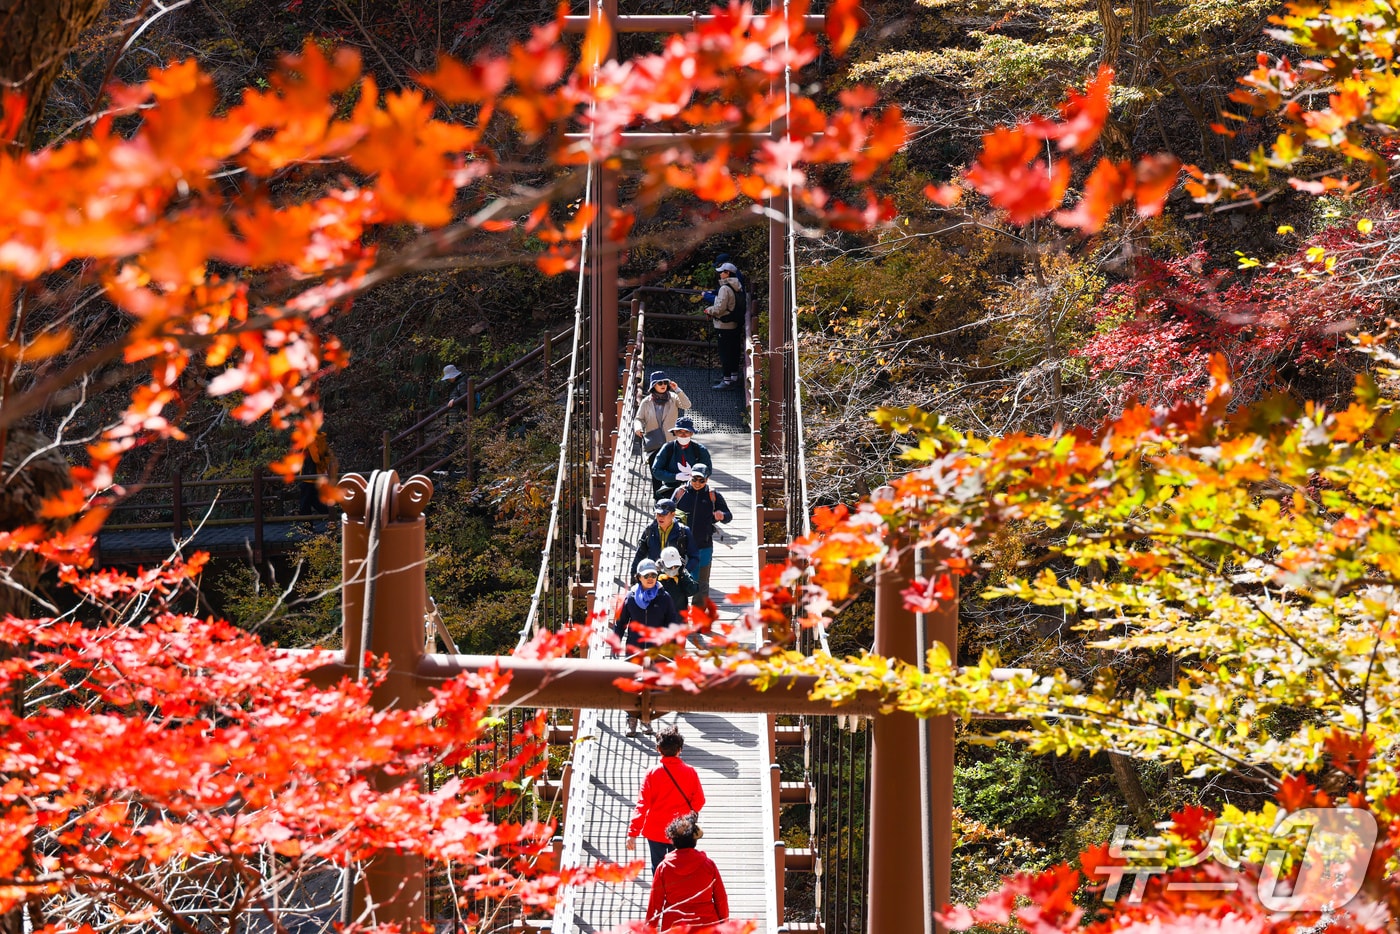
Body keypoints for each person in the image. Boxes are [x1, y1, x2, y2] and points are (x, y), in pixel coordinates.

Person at [613, 560, 682, 736]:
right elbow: (621, 623)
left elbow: (672, 623)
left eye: (653, 575)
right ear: (639, 577)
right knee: (632, 684)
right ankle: (631, 720)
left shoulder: (664, 598)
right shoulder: (630, 598)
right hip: (634, 648)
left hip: (656, 650)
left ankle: (647, 721)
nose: (651, 578)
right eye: (646, 576)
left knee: (652, 685)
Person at [626, 726, 706, 872]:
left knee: (658, 867)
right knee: (680, 865)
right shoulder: (690, 772)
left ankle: (660, 892)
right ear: (680, 749)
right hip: (681, 829)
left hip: (656, 829)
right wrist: (689, 813)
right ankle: (678, 893)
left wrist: (633, 833)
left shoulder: (651, 773)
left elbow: (642, 804)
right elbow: (699, 800)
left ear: (658, 749)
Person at [647, 813, 729, 930]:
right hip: (706, 926)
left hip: (674, 926)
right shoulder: (708, 865)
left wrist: (649, 929)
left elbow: (655, 904)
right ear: (694, 841)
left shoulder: (663, 868)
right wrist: (724, 924)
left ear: (673, 842)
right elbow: (721, 899)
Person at [669, 464, 731, 596]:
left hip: (704, 545)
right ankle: (681, 613)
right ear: (689, 477)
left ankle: (699, 614)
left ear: (707, 479)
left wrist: (722, 515)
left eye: (701, 480)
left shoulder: (713, 495)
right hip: (681, 546)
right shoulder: (680, 492)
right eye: (694, 479)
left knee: (702, 583)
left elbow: (728, 516)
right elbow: (667, 512)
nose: (697, 483)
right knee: (678, 581)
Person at [634, 371, 692, 471]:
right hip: (653, 443)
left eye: (665, 382)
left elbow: (687, 405)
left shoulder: (673, 398)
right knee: (656, 475)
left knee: (672, 474)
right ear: (653, 385)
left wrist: (677, 390)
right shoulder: (646, 401)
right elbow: (638, 418)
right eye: (660, 383)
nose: (663, 385)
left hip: (671, 441)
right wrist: (638, 428)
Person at [649, 416, 713, 498]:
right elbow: (656, 470)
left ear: (691, 433)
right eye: (680, 431)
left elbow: (708, 470)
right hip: (670, 488)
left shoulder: (700, 449)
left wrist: (693, 474)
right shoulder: (668, 448)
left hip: (695, 487)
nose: (683, 435)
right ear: (675, 432)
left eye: (686, 432)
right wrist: (675, 476)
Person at [704, 263, 744, 390]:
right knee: (733, 351)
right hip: (734, 324)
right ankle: (733, 377)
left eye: (722, 272)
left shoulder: (725, 289)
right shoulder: (738, 286)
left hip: (723, 325)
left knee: (724, 353)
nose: (720, 274)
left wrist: (709, 310)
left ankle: (726, 380)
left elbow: (719, 308)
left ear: (727, 273)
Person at [633, 499, 698, 577]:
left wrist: (683, 572)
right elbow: (640, 554)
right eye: (657, 514)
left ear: (673, 514)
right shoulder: (649, 530)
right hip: (654, 577)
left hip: (675, 576)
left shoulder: (684, 531)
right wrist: (634, 575)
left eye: (664, 514)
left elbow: (694, 557)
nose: (660, 517)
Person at [298, 431, 337, 514]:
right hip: (318, 474)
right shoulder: (322, 439)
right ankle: (330, 517)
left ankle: (307, 525)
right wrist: (323, 467)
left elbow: (315, 458)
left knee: (305, 504)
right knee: (315, 500)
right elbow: (326, 456)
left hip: (308, 476)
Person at [657, 545, 699, 615]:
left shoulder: (683, 574)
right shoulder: (656, 576)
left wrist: (682, 575)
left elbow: (693, 590)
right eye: (670, 566)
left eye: (676, 566)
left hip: (679, 618)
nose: (673, 569)